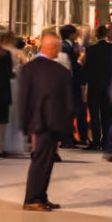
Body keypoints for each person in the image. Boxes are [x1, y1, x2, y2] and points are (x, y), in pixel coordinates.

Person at [16, 31, 73, 212]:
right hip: (53, 122)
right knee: (42, 161)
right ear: (54, 48)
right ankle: (32, 198)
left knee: (44, 160)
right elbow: (69, 102)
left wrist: (24, 124)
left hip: (36, 121)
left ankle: (40, 196)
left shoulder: (28, 69)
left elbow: (23, 99)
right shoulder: (61, 72)